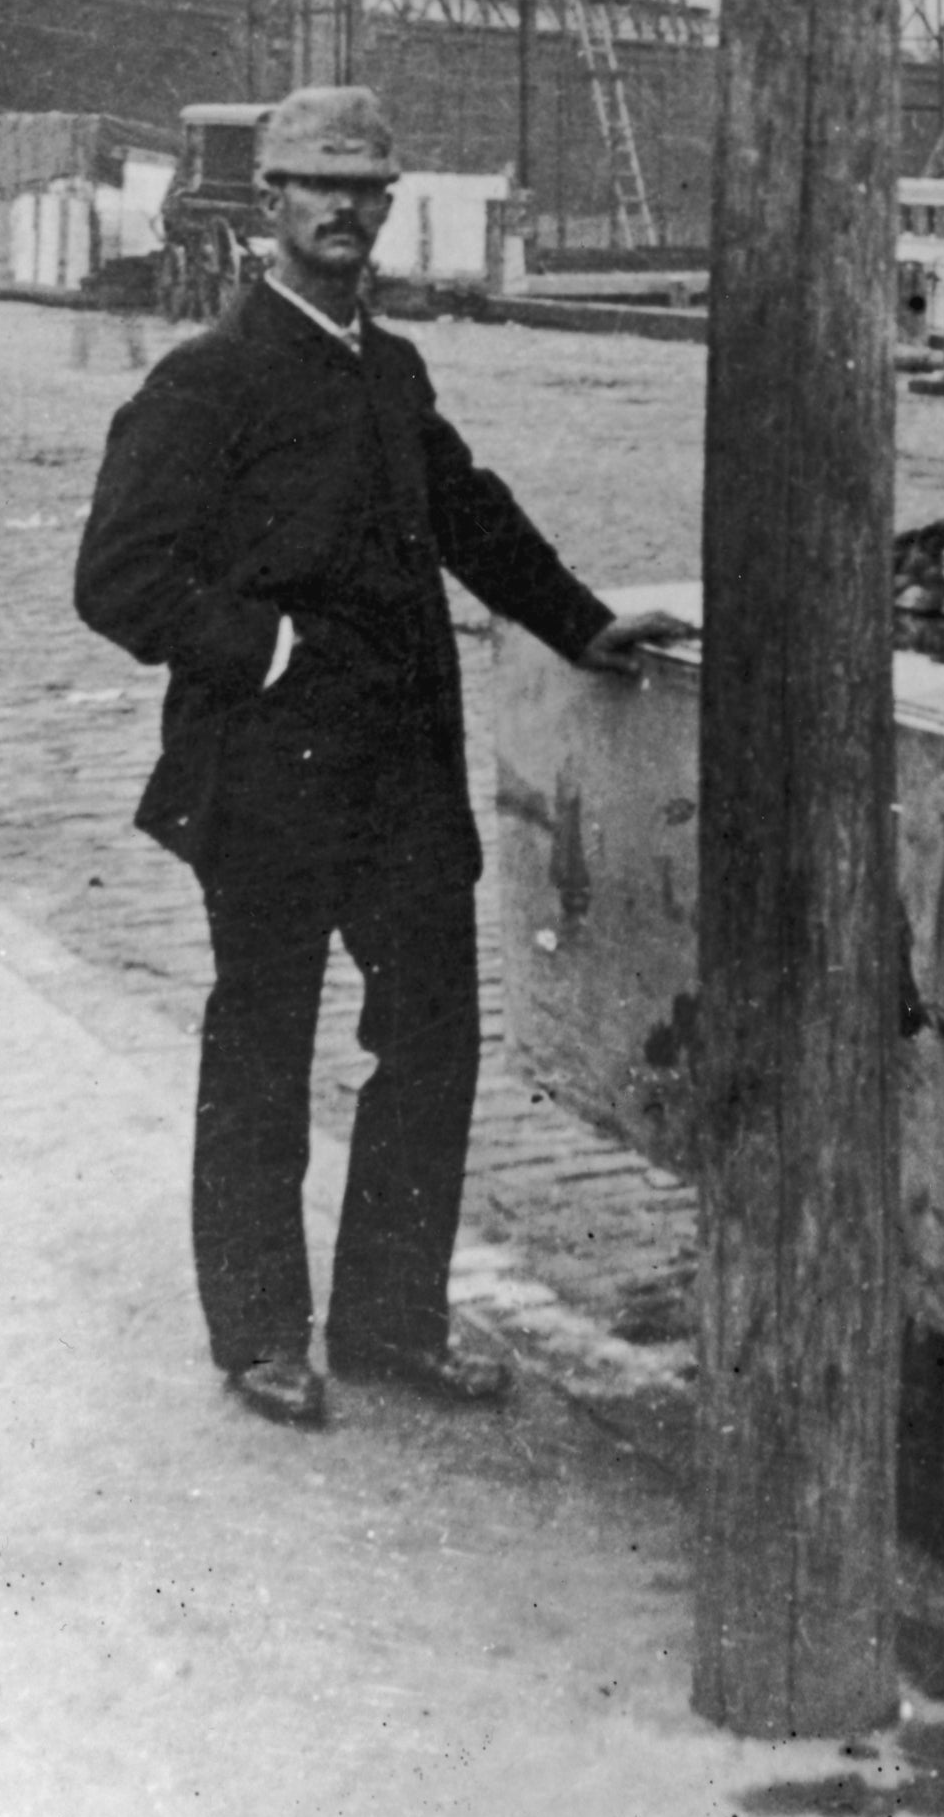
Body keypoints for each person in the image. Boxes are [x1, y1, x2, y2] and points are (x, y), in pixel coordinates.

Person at [75, 84, 688, 1431]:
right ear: (269, 206)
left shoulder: (389, 368)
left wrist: (580, 621)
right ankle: (259, 1333)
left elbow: (467, 507)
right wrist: (263, 647)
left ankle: (390, 1314)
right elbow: (117, 577)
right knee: (263, 1037)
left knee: (431, 1036)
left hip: (401, 767)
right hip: (269, 765)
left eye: (367, 189)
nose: (347, 210)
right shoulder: (206, 381)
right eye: (319, 186)